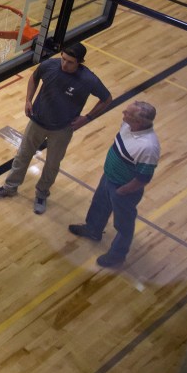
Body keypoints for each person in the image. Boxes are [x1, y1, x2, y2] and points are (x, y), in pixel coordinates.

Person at [0, 42, 112, 214]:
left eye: (70, 62)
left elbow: (107, 99)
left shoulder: (88, 80)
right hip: (37, 122)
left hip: (62, 129)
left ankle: (42, 193)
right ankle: (10, 187)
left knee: (52, 164)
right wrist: (28, 100)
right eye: (63, 59)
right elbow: (34, 77)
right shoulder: (49, 65)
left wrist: (87, 118)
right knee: (22, 155)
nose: (64, 64)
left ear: (80, 62)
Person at [69, 101, 160, 268]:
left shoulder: (148, 147)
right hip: (109, 178)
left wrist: (123, 191)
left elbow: (143, 178)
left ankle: (117, 256)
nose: (123, 114)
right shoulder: (128, 125)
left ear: (138, 122)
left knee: (123, 225)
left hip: (124, 189)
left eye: (127, 113)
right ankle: (93, 230)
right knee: (99, 205)